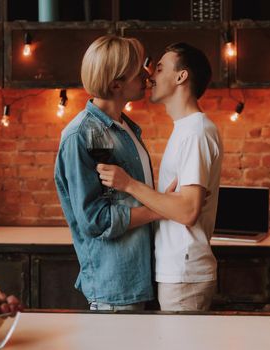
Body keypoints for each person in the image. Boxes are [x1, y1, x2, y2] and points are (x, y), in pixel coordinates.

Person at [97, 42, 223, 311]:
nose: (150, 76)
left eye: (161, 68)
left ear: (181, 76)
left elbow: (188, 210)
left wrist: (129, 185)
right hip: (177, 271)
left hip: (184, 273)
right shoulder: (186, 129)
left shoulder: (195, 132)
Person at [54, 35, 170, 311]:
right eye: (137, 71)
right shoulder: (80, 135)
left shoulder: (126, 127)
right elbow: (94, 220)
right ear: (116, 84)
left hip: (139, 279)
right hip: (115, 286)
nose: (146, 75)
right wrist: (164, 207)